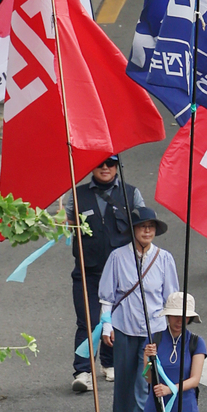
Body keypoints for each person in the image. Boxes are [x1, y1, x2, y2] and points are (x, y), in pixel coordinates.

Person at [99, 206, 179, 412]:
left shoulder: (164, 259)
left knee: (145, 379)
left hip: (153, 329)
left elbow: (171, 297)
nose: (147, 231)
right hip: (124, 327)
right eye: (143, 227)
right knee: (124, 380)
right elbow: (107, 295)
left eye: (151, 227)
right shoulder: (117, 257)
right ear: (133, 230)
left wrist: (172, 329)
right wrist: (107, 325)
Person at [64, 157, 139, 391]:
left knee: (115, 319)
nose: (105, 168)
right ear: (91, 167)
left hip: (121, 273)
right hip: (88, 271)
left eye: (111, 163)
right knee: (87, 320)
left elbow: (143, 226)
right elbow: (66, 225)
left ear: (118, 167)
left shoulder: (131, 194)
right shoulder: (77, 196)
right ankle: (83, 370)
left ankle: (110, 363)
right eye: (99, 163)